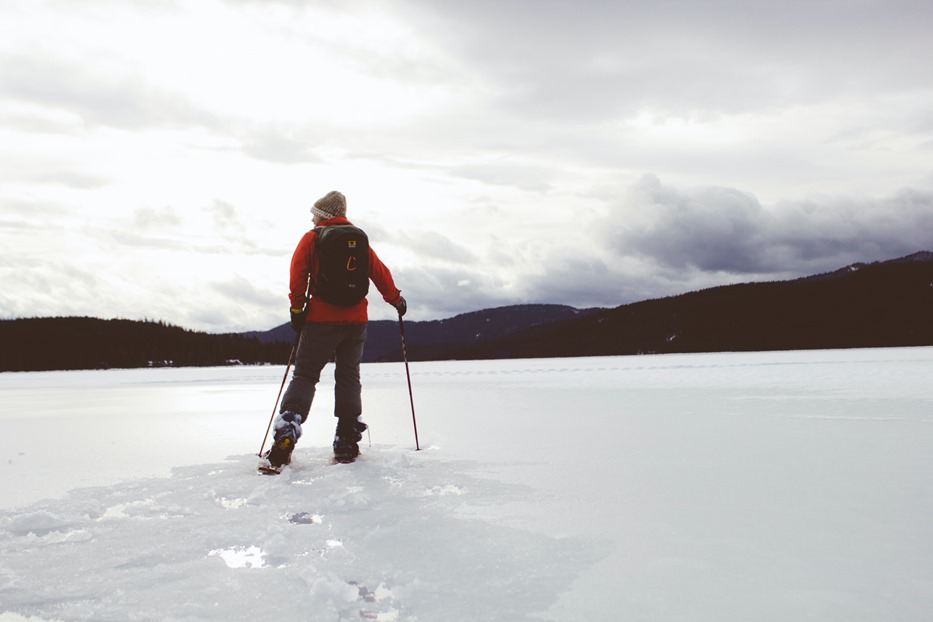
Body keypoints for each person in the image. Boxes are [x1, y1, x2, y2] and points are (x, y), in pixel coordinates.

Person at [264, 191, 406, 466]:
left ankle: (288, 429)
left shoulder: (313, 238)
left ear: (325, 214)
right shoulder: (359, 240)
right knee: (349, 376)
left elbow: (298, 274)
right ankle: (346, 438)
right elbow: (379, 273)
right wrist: (396, 299)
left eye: (315, 213)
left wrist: (297, 309)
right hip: (355, 321)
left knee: (305, 375)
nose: (312, 217)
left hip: (320, 320)